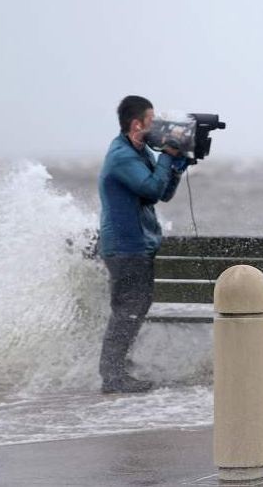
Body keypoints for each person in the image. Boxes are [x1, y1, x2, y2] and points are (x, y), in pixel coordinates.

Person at [97, 95, 189, 393]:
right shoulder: (122, 156)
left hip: (137, 244)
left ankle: (117, 368)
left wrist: (176, 165)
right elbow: (150, 185)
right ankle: (112, 376)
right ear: (137, 124)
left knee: (137, 305)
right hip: (125, 246)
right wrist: (167, 155)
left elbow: (158, 194)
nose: (157, 128)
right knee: (128, 308)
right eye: (152, 122)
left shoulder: (140, 152)